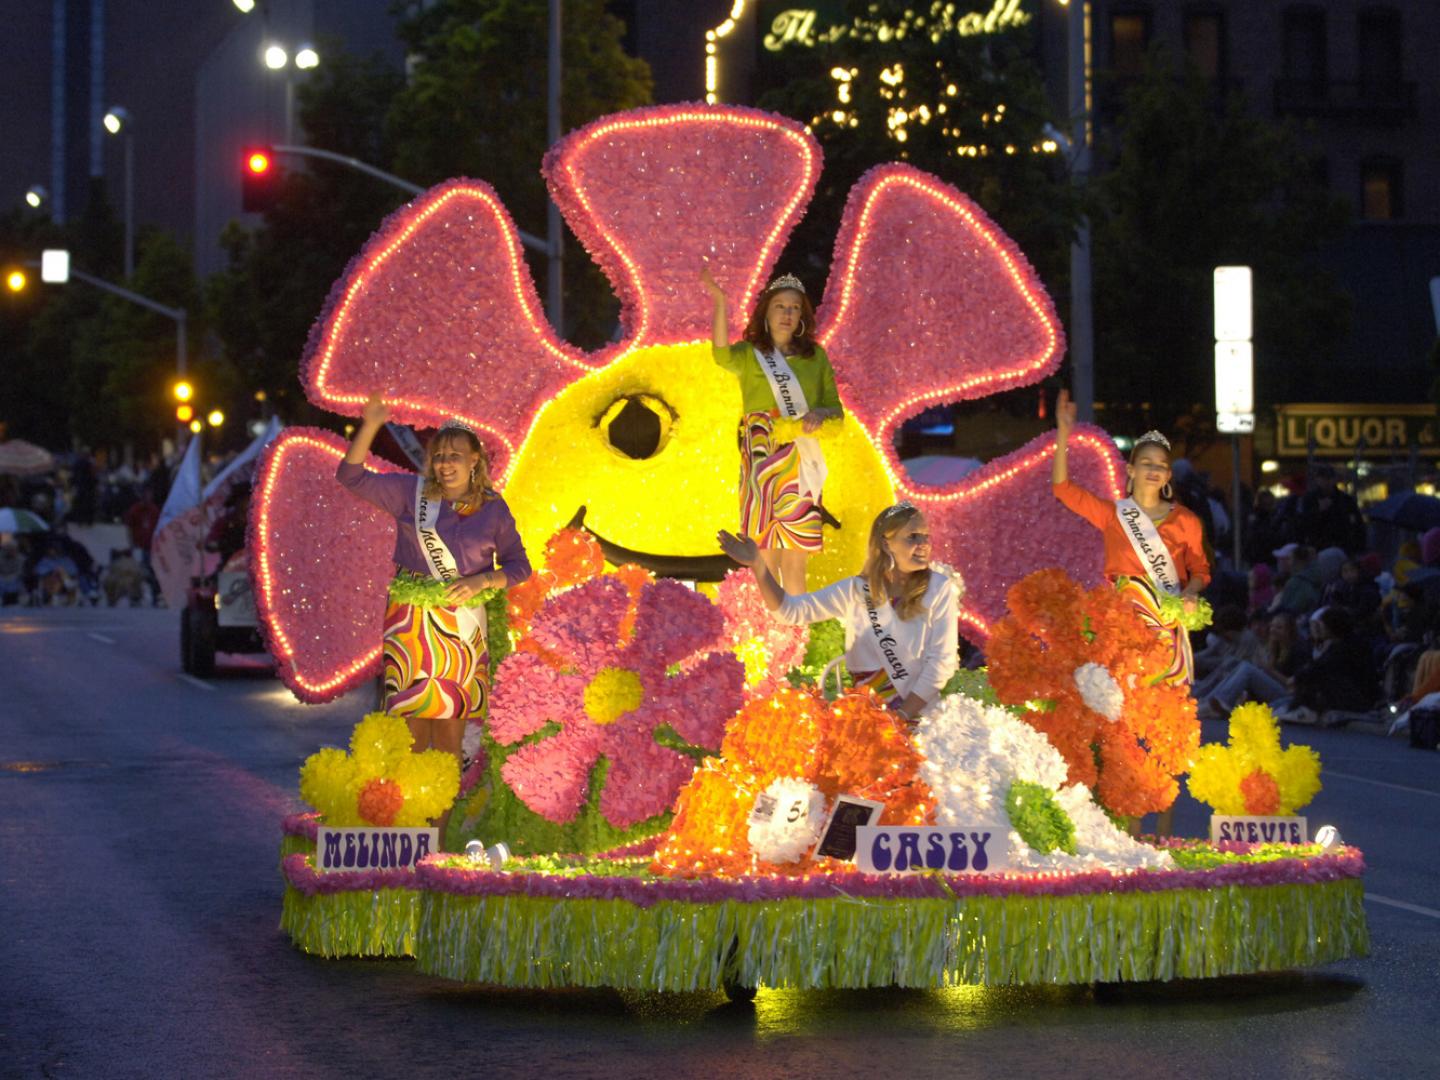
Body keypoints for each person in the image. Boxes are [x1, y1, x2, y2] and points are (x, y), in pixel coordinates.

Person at [338, 395, 531, 843]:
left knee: (447, 741)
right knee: (409, 737)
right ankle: (407, 838)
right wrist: (369, 427)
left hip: (461, 631)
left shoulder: (494, 509)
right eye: (439, 456)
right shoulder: (411, 494)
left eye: (455, 457)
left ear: (475, 461)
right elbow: (349, 476)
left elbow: (520, 566)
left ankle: (437, 842)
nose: (445, 465)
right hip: (410, 627)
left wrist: (483, 582)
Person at [718, 502, 960, 723]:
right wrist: (759, 566)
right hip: (866, 717)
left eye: (926, 536)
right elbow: (790, 613)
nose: (924, 544)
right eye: (913, 537)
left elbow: (942, 662)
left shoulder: (939, 588)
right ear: (887, 543)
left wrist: (903, 715)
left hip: (920, 718)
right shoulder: (856, 590)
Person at [1051, 389, 1210, 683]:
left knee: (1164, 705)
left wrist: (1190, 591)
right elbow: (1063, 488)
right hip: (1123, 620)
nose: (1154, 469)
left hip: (1166, 618)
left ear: (1168, 476)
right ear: (1131, 470)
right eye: (1147, 463)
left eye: (1162, 465)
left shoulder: (1186, 520)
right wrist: (1063, 433)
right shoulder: (1113, 514)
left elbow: (1200, 570)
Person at [702, 265, 843, 594]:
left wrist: (821, 412)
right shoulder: (751, 355)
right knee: (764, 553)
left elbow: (836, 410)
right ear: (766, 312)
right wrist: (720, 302)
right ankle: (768, 636)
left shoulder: (815, 357)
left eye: (795, 308)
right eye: (780, 306)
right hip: (761, 452)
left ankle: (796, 634)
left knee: (796, 558)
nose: (788, 314)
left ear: (802, 316)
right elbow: (721, 355)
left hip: (801, 454)